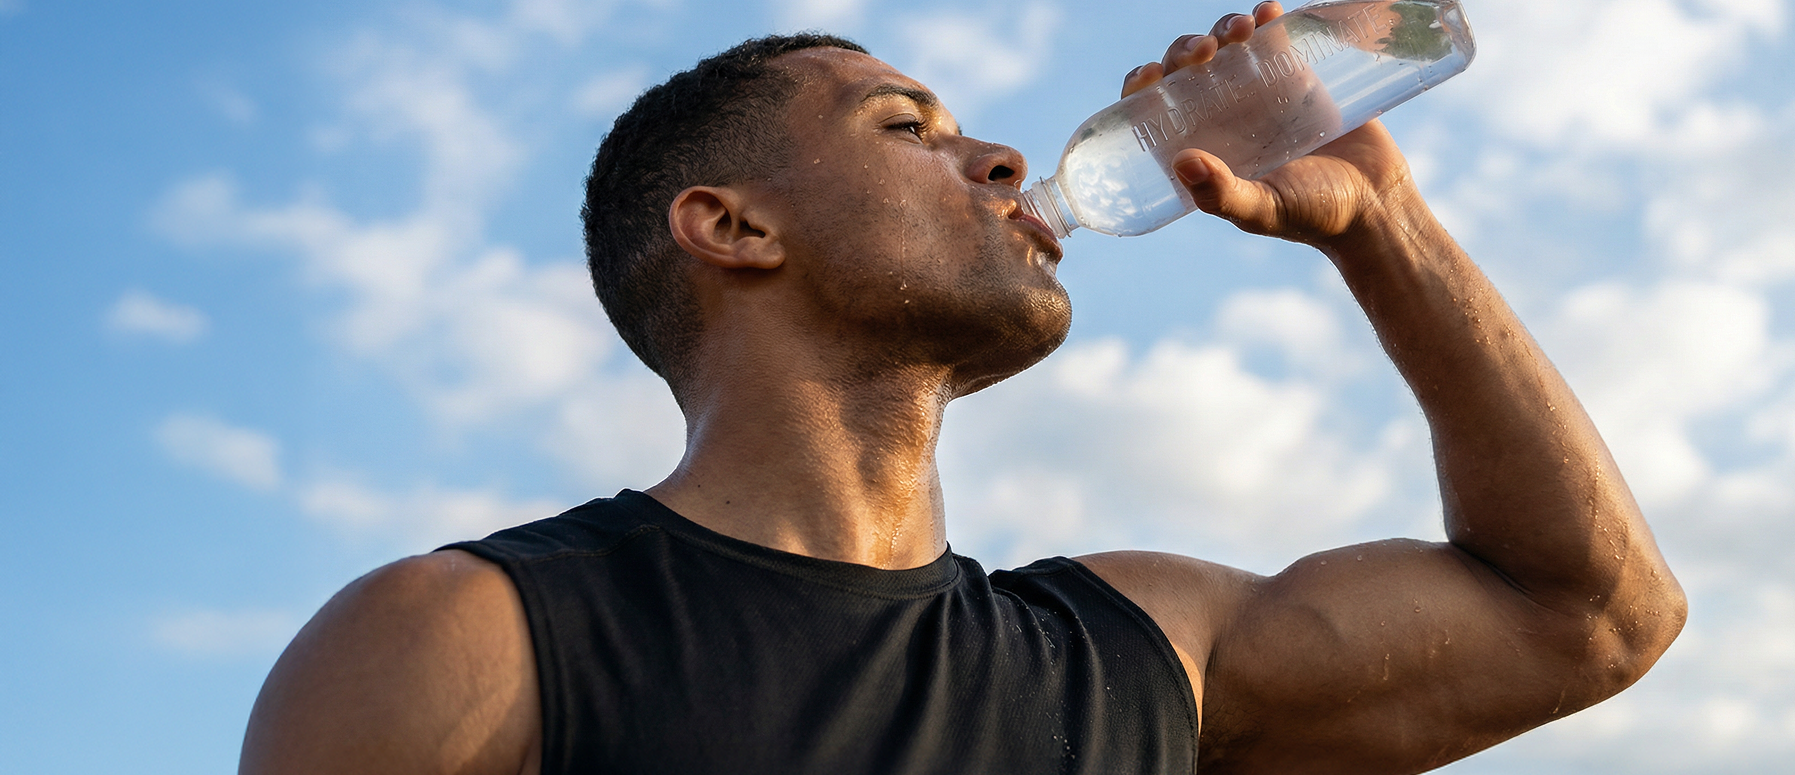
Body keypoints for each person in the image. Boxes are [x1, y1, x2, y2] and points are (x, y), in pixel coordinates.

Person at [240, 3, 1687, 773]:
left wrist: (1387, 229)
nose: (998, 157)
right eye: (904, 127)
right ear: (732, 227)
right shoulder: (471, 637)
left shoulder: (1146, 653)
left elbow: (1593, 616)